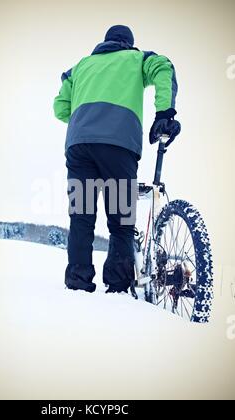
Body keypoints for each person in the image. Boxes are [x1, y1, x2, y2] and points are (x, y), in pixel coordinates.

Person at [53, 25, 181, 294]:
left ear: (105, 42)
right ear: (128, 43)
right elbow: (164, 67)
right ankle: (118, 286)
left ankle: (77, 281)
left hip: (79, 145)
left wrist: (86, 118)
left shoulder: (80, 67)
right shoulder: (136, 59)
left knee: (81, 217)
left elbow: (60, 108)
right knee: (121, 222)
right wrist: (164, 113)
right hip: (118, 145)